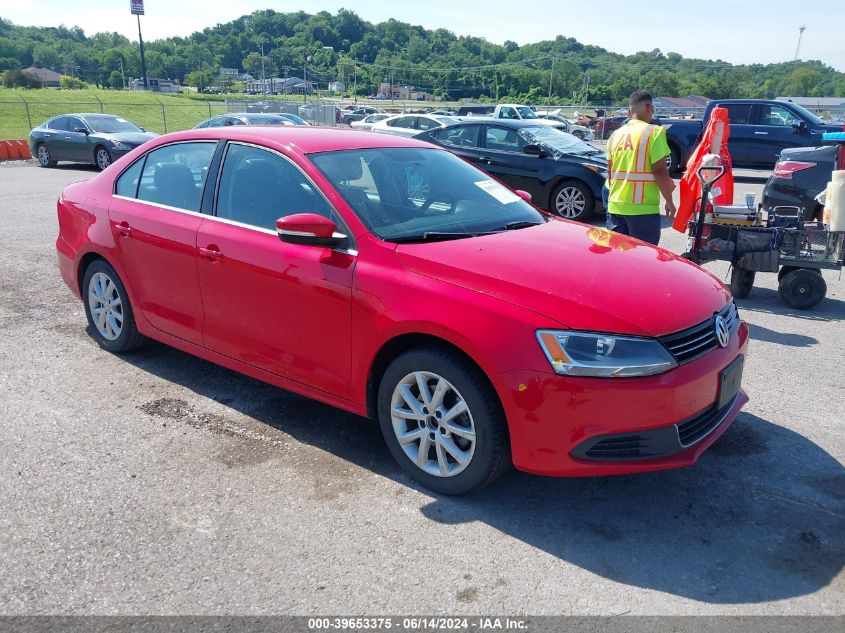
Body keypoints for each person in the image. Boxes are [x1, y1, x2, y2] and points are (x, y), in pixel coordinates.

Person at [605, 91, 676, 245]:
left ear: (629, 111)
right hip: (642, 211)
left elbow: (610, 172)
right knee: (643, 261)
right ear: (649, 107)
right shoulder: (654, 132)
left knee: (618, 259)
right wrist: (669, 200)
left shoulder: (615, 135)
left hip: (615, 208)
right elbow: (659, 171)